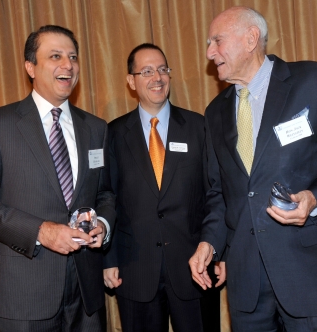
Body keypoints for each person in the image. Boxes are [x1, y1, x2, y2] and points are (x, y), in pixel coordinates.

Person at [189, 6, 317, 332]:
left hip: (310, 279)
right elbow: (222, 192)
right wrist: (209, 242)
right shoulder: (215, 112)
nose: (209, 52)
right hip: (247, 285)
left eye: (217, 40)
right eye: (208, 44)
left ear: (251, 39)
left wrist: (315, 199)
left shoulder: (316, 82)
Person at [0, 25, 116, 331]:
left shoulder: (96, 128)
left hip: (86, 296)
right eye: (55, 56)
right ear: (30, 67)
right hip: (26, 295)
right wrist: (41, 231)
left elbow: (106, 194)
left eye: (72, 57)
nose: (68, 65)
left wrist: (103, 225)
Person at [103, 43, 206, 332]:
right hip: (134, 270)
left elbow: (213, 195)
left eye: (162, 69)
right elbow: (106, 197)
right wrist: (107, 260)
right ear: (131, 81)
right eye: (146, 71)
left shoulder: (199, 127)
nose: (157, 78)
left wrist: (217, 253)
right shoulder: (112, 134)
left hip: (193, 268)